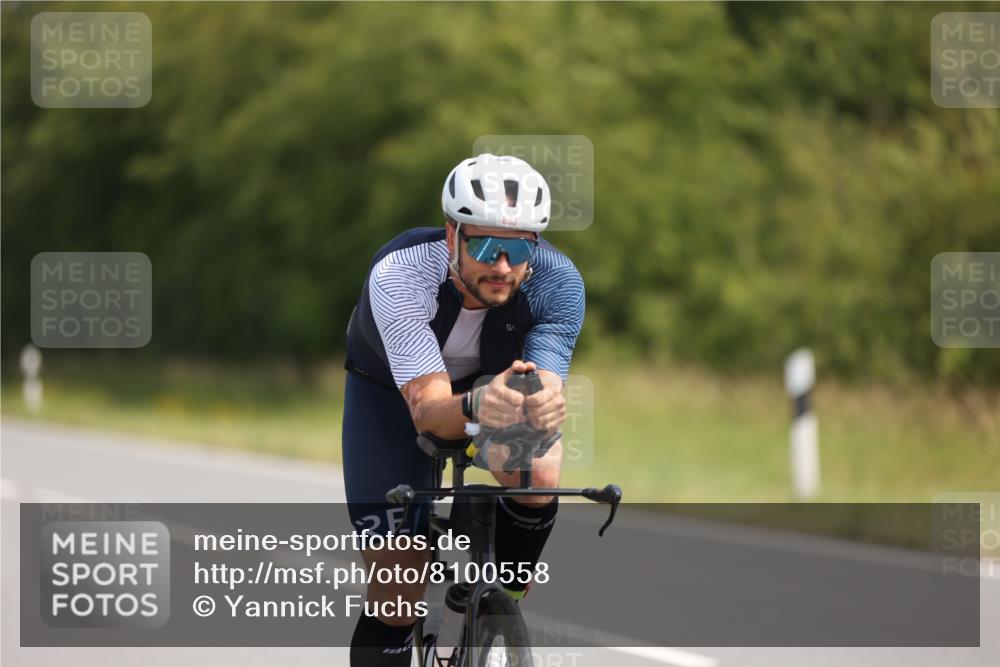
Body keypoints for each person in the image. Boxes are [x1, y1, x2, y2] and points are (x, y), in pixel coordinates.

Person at [342, 153, 585, 666]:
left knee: (538, 468)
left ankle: (505, 604)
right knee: (397, 590)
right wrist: (478, 402)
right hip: (391, 392)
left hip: (491, 384)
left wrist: (540, 402)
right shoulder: (400, 274)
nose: (502, 266)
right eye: (485, 245)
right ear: (451, 236)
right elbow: (430, 412)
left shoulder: (558, 284)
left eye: (517, 248)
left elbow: (536, 385)